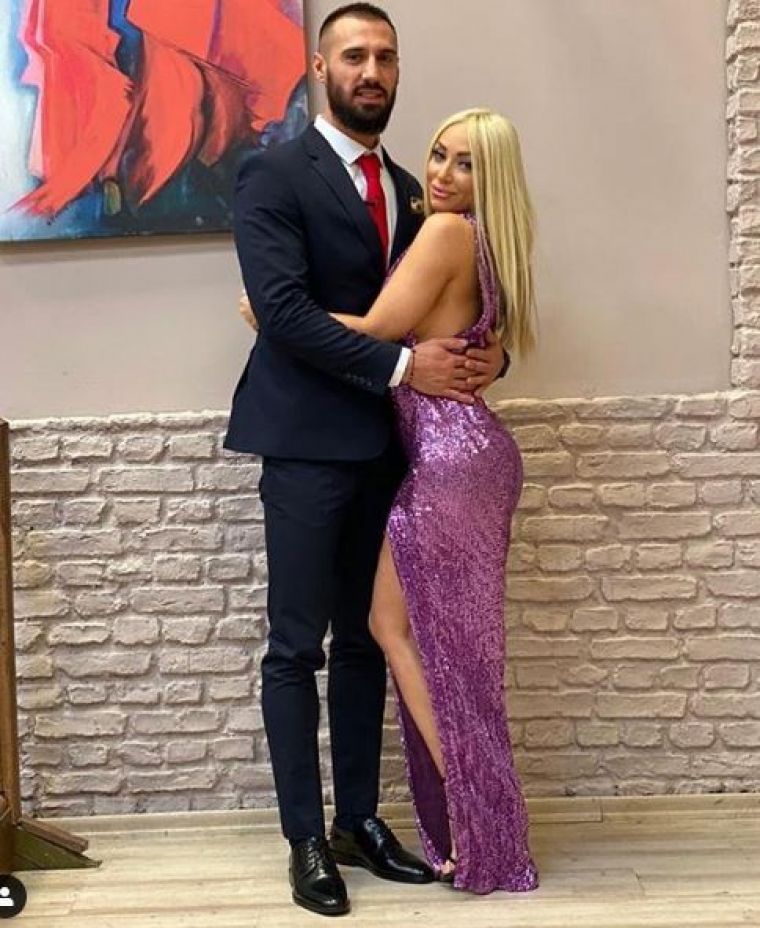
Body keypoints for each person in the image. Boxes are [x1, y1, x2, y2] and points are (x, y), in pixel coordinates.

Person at [225, 3, 505, 918]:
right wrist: (402, 366)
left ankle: (357, 821)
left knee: (366, 644)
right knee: (294, 647)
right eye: (354, 55)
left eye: (385, 55)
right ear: (320, 68)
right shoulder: (272, 172)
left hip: (395, 450)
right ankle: (305, 841)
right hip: (305, 442)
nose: (371, 70)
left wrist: (492, 358)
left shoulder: (419, 191)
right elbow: (283, 311)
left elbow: (457, 303)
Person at [326, 108, 541, 894]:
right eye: (440, 155)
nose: (444, 175)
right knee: (416, 635)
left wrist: (276, 315)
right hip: (468, 456)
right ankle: (480, 824)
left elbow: (376, 332)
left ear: (493, 179)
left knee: (435, 648)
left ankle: (487, 828)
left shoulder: (449, 233)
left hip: (452, 461)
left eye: (466, 163)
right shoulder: (489, 241)